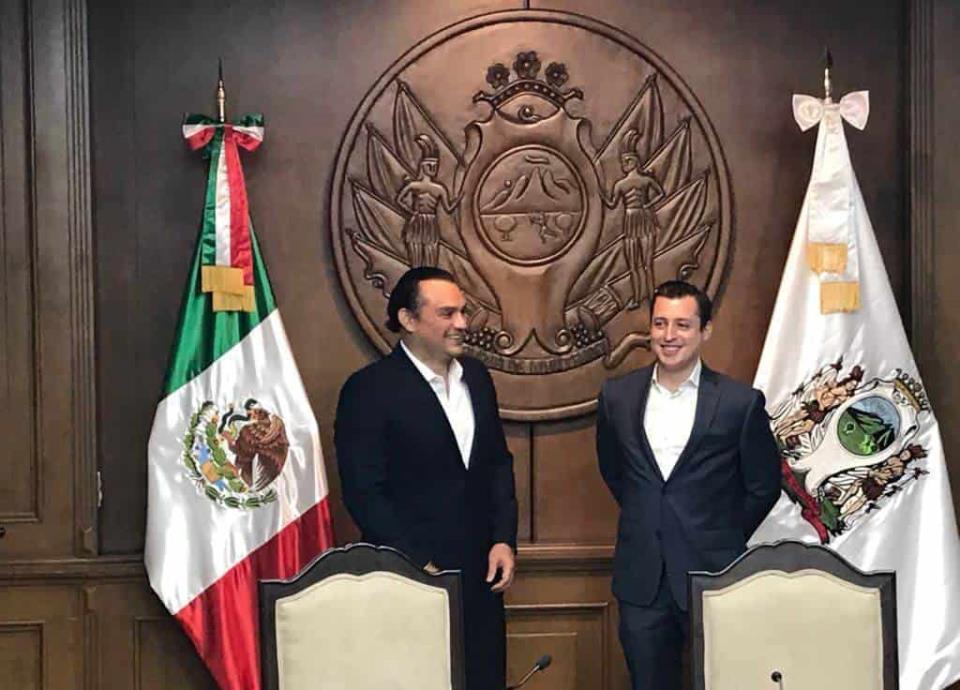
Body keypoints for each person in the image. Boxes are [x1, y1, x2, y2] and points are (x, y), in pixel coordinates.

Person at [335, 266, 518, 690]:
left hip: (482, 577)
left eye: (463, 312)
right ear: (408, 319)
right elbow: (364, 492)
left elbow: (497, 464)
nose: (462, 323)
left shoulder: (477, 379)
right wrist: (417, 562)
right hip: (408, 578)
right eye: (447, 313)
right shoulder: (368, 389)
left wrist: (503, 538)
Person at [595, 280, 781, 690]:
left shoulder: (739, 403)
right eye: (660, 323)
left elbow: (764, 486)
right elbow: (615, 472)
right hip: (642, 579)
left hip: (712, 574)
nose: (669, 335)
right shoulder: (617, 397)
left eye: (682, 325)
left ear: (705, 330)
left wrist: (719, 533)